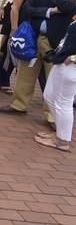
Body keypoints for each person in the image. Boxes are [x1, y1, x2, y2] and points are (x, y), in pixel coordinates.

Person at [0, 0, 76, 124]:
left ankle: (52, 116)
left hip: (58, 42)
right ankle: (19, 104)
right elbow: (28, 9)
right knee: (26, 72)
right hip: (35, 36)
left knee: (53, 79)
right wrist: (50, 11)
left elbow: (69, 8)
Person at [34, 17, 76, 151]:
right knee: (49, 96)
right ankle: (60, 134)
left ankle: (62, 140)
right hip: (61, 60)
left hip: (71, 66)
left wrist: (73, 58)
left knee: (64, 103)